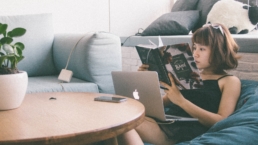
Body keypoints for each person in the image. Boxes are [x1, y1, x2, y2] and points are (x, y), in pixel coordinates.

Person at [117, 23, 241, 145]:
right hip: (167, 122)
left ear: (219, 51)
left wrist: (181, 101)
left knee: (124, 125)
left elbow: (222, 120)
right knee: (119, 119)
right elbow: (161, 104)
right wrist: (145, 79)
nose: (195, 53)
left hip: (183, 131)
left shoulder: (229, 81)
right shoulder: (188, 74)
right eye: (195, 47)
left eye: (202, 49)